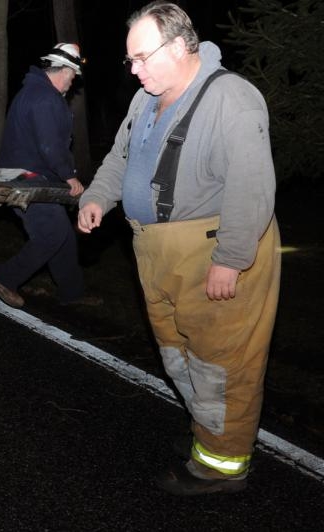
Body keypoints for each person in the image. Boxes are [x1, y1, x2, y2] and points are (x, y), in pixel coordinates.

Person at [77, 1, 281, 496]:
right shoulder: (147, 98)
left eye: (142, 58)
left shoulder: (231, 98)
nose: (134, 70)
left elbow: (252, 187)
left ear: (180, 45)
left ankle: (222, 464)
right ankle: (207, 433)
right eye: (130, 60)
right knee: (178, 354)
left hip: (212, 251)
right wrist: (98, 196)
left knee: (220, 362)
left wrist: (231, 260)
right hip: (155, 253)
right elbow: (121, 156)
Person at [0, 43, 90, 308]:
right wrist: (70, 177)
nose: (73, 80)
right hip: (25, 178)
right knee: (51, 234)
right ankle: (4, 277)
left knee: (63, 235)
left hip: (29, 176)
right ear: (63, 70)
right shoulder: (44, 98)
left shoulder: (36, 92)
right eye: (72, 74)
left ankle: (72, 293)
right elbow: (49, 146)